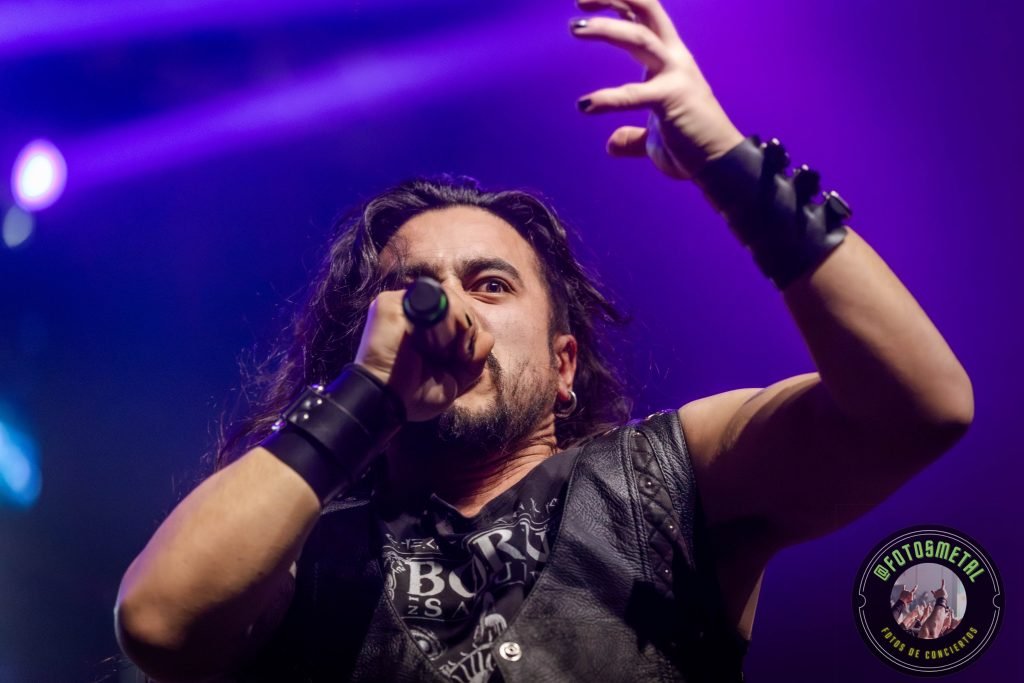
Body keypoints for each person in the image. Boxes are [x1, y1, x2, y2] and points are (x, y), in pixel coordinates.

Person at [113, 0, 974, 681]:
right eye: (413, 287)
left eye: (490, 284)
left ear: (565, 364)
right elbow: (159, 622)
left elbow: (918, 407)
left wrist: (729, 164)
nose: (446, 305)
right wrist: (365, 397)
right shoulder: (303, 543)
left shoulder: (662, 479)